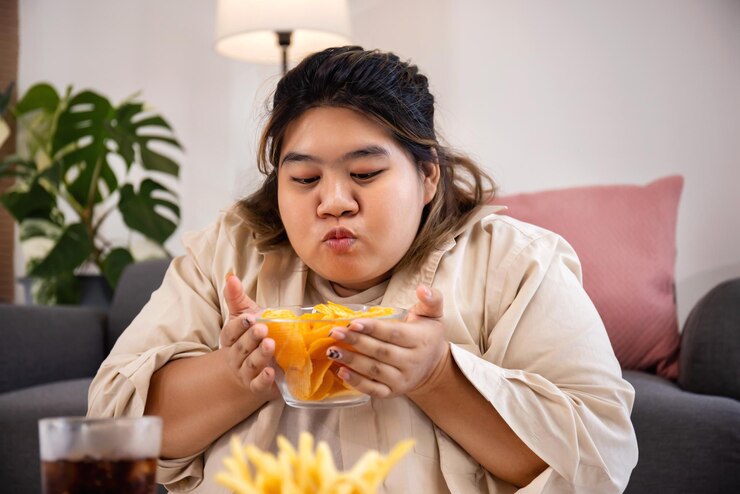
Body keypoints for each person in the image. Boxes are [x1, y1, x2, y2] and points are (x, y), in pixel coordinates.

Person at [88, 46, 638, 493]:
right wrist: (235, 378)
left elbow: (597, 465)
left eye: (367, 173)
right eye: (303, 179)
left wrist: (438, 379)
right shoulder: (228, 254)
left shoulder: (515, 262)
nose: (333, 202)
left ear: (427, 177)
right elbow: (111, 436)